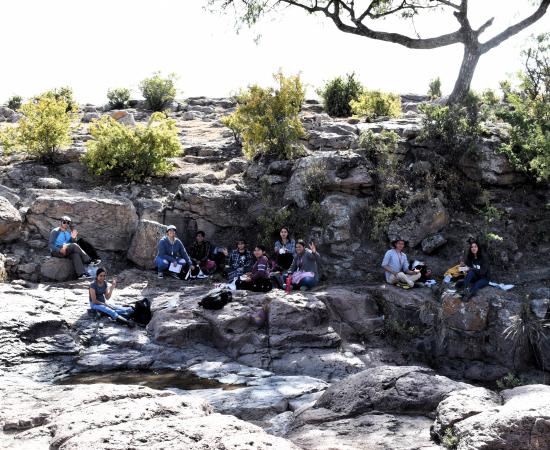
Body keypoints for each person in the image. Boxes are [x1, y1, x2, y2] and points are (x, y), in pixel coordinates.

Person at [49, 216, 93, 280]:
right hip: (56, 251)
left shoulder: (67, 233)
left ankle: (81, 274)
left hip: (65, 249)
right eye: (64, 222)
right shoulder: (55, 231)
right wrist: (59, 250)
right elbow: (50, 244)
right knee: (74, 245)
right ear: (61, 222)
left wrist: (73, 238)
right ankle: (88, 260)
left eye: (68, 222)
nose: (66, 224)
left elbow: (70, 243)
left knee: (76, 255)